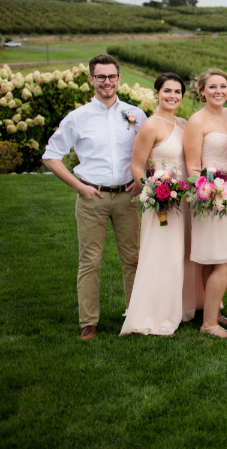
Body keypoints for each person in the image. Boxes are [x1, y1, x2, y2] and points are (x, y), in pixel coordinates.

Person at [42, 54, 146, 340]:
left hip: (127, 196)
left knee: (133, 258)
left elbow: (150, 150)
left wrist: (141, 181)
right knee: (90, 261)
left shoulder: (135, 115)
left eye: (111, 76)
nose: (107, 81)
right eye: (101, 77)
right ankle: (88, 322)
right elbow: (51, 156)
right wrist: (79, 186)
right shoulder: (78, 118)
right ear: (91, 79)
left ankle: (135, 316)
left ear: (119, 79)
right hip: (92, 197)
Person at [121, 73, 190, 336]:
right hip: (162, 202)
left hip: (182, 201)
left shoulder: (183, 124)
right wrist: (154, 192)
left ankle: (178, 307)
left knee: (179, 257)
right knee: (162, 257)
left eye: (177, 92)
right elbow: (137, 166)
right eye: (167, 91)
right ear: (156, 93)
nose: (172, 96)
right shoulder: (151, 126)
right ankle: (153, 315)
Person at [183, 68, 227, 338]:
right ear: (202, 90)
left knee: (215, 259)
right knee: (226, 260)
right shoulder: (196, 121)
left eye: (223, 86)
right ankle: (209, 324)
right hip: (213, 196)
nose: (219, 91)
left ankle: (213, 312)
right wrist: (213, 192)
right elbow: (193, 167)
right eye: (213, 87)